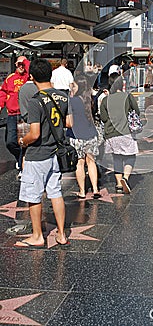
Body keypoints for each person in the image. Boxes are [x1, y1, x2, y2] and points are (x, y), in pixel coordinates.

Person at [14, 58, 72, 248]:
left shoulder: (35, 101)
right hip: (55, 153)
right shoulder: (64, 97)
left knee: (34, 195)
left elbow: (35, 133)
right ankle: (62, 234)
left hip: (38, 154)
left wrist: (23, 141)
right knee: (56, 193)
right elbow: (69, 123)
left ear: (32, 77)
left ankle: (38, 235)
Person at [100, 73, 139, 194]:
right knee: (130, 156)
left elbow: (104, 117)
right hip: (126, 132)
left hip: (111, 134)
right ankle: (125, 178)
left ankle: (118, 184)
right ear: (121, 83)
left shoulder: (105, 100)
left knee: (117, 157)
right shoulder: (127, 96)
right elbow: (136, 111)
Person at [66, 75, 101, 199]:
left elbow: (69, 121)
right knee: (91, 162)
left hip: (76, 136)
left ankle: (82, 191)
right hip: (91, 134)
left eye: (73, 85)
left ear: (78, 86)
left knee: (79, 164)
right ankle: (95, 189)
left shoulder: (72, 101)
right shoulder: (91, 100)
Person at [0, 55, 30, 167]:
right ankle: (20, 157)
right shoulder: (10, 78)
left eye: (23, 64)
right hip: (12, 114)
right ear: (15, 64)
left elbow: (31, 69)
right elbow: (3, 93)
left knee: (25, 141)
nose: (21, 66)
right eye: (19, 64)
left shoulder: (28, 77)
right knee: (10, 142)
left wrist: (25, 62)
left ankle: (23, 162)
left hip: (25, 114)